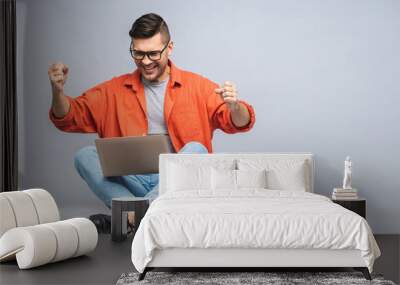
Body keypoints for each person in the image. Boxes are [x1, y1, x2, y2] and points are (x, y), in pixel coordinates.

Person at [48, 13, 256, 230]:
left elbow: (241, 122)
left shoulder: (198, 86)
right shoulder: (113, 90)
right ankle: (142, 216)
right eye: (138, 53)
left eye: (153, 53)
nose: (145, 62)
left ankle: (129, 216)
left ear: (170, 47)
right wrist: (58, 91)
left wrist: (234, 106)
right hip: (132, 179)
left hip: (177, 182)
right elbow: (68, 117)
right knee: (84, 156)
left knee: (197, 149)